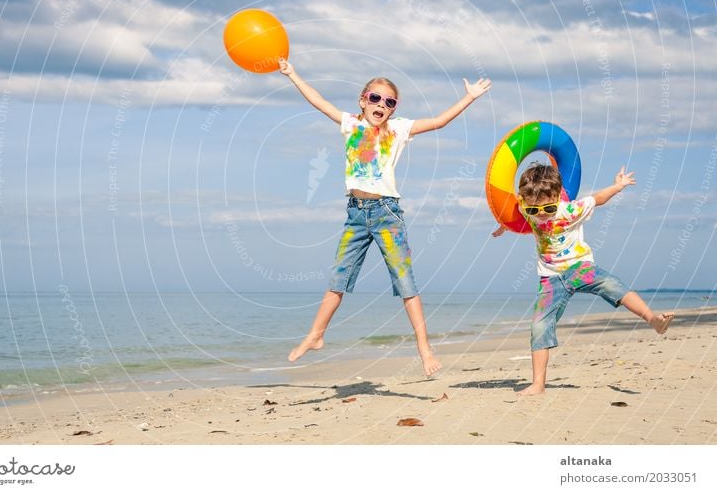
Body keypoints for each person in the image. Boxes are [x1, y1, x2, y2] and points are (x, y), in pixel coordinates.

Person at [279, 58, 491, 376]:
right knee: (337, 280)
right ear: (363, 100)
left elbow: (439, 122)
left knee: (405, 283)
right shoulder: (350, 124)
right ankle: (316, 335)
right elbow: (318, 101)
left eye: (389, 102)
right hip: (355, 214)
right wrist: (292, 73)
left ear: (393, 109)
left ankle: (424, 348)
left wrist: (469, 97)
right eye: (375, 98)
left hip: (387, 213)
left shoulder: (398, 129)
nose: (381, 104)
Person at [492, 163, 674, 395]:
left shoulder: (570, 209)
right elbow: (515, 212)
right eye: (534, 209)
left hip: (580, 266)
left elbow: (597, 198)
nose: (541, 213)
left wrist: (618, 186)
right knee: (539, 326)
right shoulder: (528, 206)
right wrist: (504, 226)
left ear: (557, 196)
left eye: (547, 208)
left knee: (612, 284)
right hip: (551, 277)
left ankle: (653, 319)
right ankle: (538, 384)